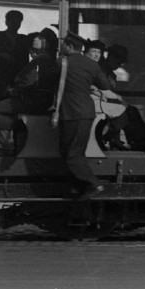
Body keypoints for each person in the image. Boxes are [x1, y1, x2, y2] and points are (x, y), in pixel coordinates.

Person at [52, 31, 113, 197]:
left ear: (70, 46)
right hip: (87, 112)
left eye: (64, 44)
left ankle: (93, 185)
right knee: (75, 152)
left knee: (70, 154)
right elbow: (105, 85)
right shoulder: (92, 64)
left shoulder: (61, 63)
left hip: (70, 113)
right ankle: (78, 188)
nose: (62, 46)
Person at [0, 9, 29, 101]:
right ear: (6, 22)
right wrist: (0, 56)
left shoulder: (24, 39)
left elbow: (25, 61)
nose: (15, 24)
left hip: (17, 78)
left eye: (18, 21)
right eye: (13, 21)